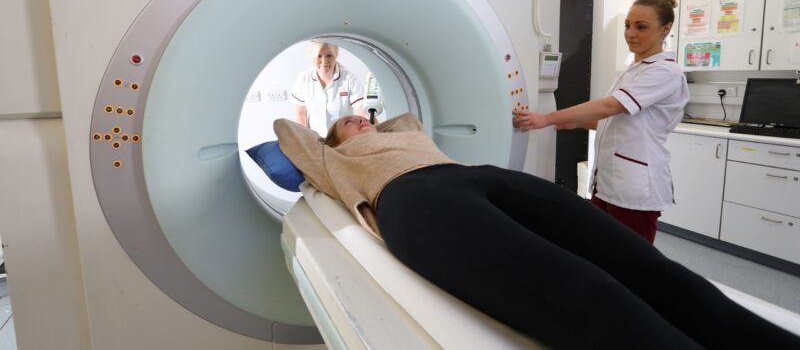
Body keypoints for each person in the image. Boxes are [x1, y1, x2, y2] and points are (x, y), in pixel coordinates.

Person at [274, 113, 800, 350]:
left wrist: (372, 120)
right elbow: (287, 134)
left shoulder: (408, 132)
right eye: (348, 123)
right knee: (587, 292)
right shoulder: (332, 162)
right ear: (332, 139)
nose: (361, 123)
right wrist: (333, 130)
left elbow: (406, 118)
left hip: (473, 177)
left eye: (366, 117)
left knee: (650, 269)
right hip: (412, 201)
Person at [513, 0, 689, 243]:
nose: (630, 33)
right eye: (628, 25)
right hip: (609, 182)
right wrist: (577, 122)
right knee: (602, 249)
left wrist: (547, 118)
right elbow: (623, 122)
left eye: (641, 27)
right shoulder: (635, 70)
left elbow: (610, 107)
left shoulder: (665, 72)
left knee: (631, 259)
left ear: (666, 29)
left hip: (634, 186)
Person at [291, 41, 366, 136]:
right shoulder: (303, 79)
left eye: (329, 55)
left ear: (335, 56)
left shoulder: (349, 79)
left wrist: (369, 129)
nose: (324, 61)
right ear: (312, 57)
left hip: (344, 139)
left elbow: (361, 112)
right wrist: (304, 140)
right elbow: (301, 114)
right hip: (315, 140)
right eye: (319, 56)